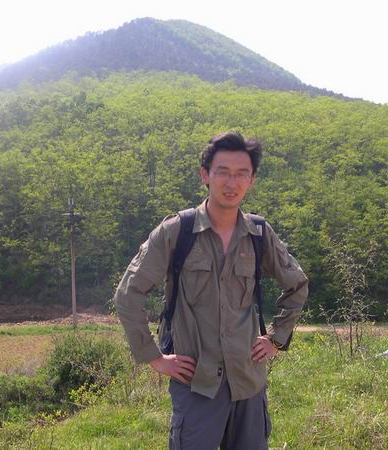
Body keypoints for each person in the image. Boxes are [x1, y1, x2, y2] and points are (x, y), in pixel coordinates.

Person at [114, 131, 309, 449]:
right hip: (196, 385)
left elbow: (297, 284)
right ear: (205, 175)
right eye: (223, 172)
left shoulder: (259, 233)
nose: (232, 183)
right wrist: (154, 357)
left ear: (252, 180)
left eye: (241, 173)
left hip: (248, 383)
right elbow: (128, 293)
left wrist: (276, 338)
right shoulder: (177, 231)